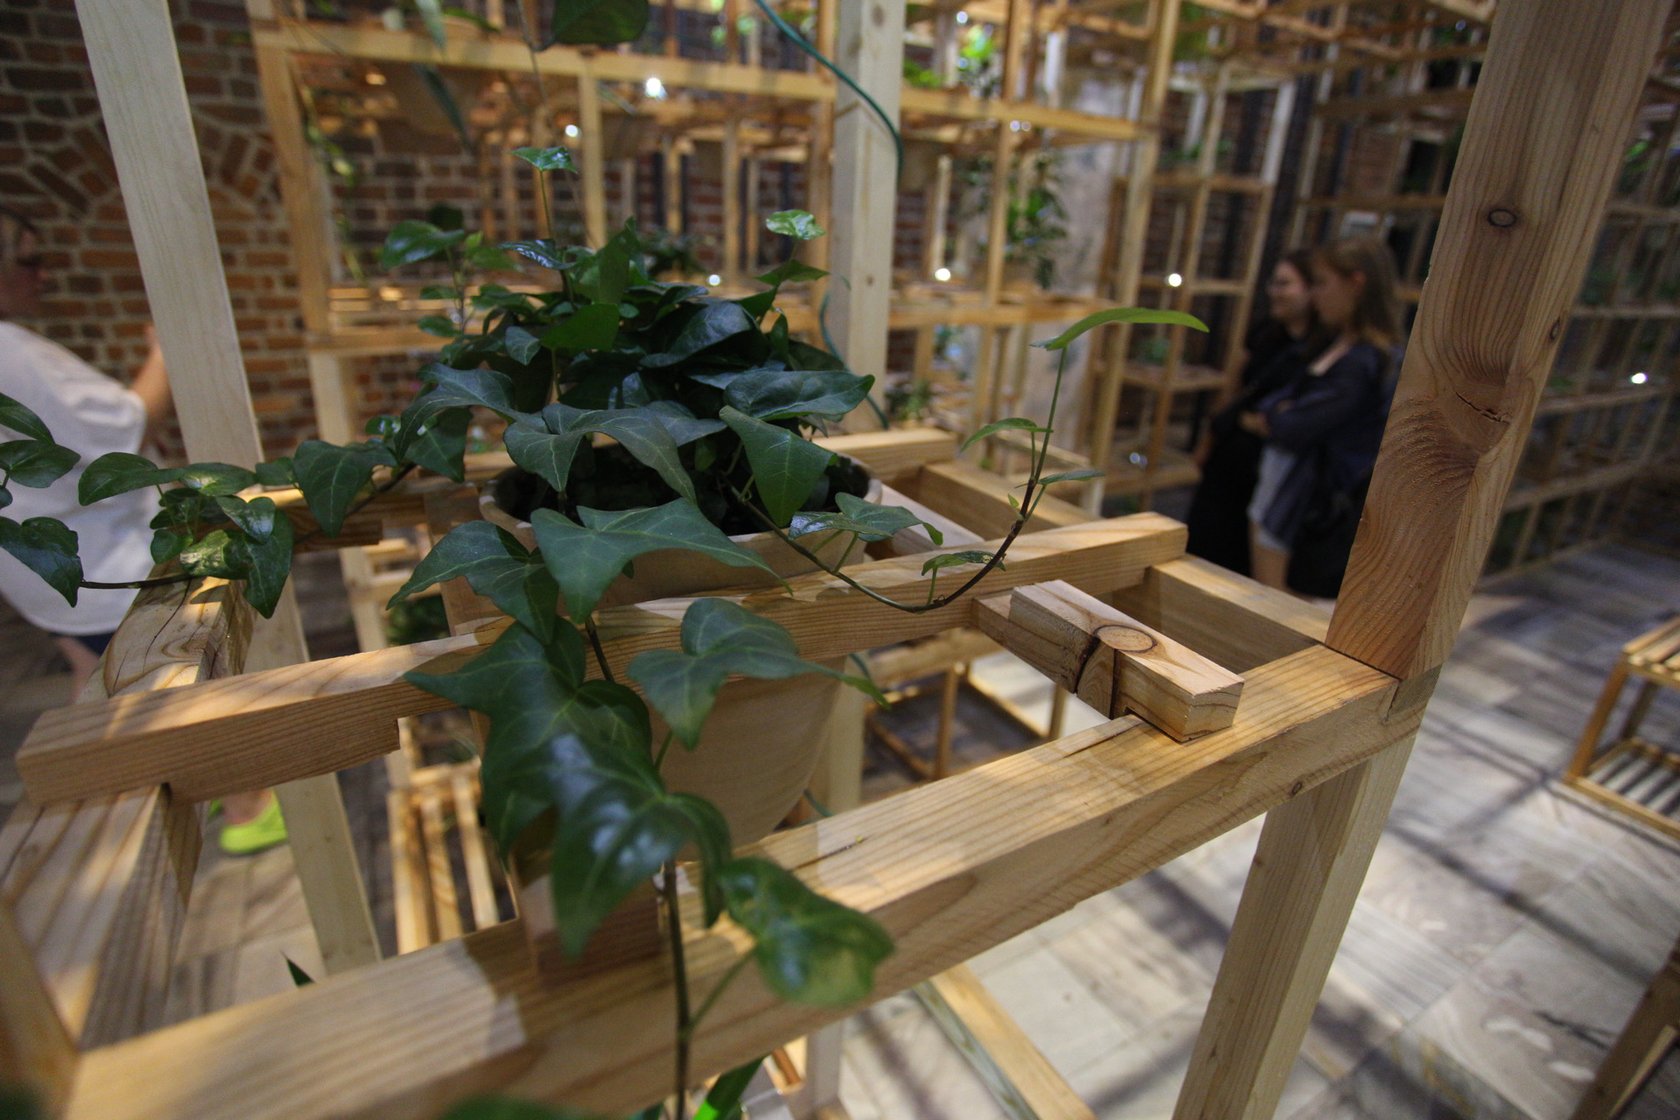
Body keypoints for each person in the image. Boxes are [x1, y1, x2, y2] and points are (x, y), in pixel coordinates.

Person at [0, 204, 285, 854]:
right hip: (102, 556)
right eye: (29, 259)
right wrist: (165, 353)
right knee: (188, 682)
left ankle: (107, 797)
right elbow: (123, 433)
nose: (43, 275)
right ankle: (244, 808)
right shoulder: (10, 352)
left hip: (36, 568)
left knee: (97, 676)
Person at [1242, 235, 1402, 597]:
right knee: (1265, 591)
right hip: (1283, 488)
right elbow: (1274, 402)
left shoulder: (1365, 360)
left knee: (1279, 602)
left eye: (1322, 283)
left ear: (1356, 284)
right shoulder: (1336, 342)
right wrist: (1280, 413)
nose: (1315, 295)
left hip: (1306, 503)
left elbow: (1291, 425)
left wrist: (1281, 416)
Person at [1185, 249, 1325, 575]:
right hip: (1232, 450)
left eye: (1284, 284)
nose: (1274, 292)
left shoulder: (1323, 347)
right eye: (1273, 283)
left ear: (1310, 289)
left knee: (1243, 553)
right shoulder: (1266, 332)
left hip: (1268, 464)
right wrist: (1209, 439)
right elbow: (1234, 387)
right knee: (1204, 538)